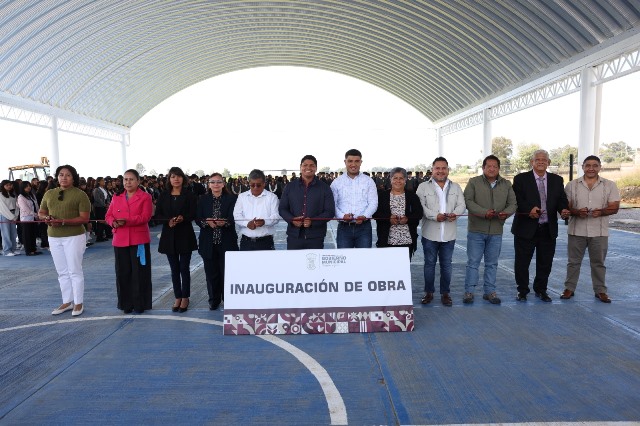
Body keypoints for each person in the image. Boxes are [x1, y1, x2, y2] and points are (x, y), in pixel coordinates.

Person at [511, 150, 570, 302]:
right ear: (532, 162)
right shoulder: (521, 179)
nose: (541, 161)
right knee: (522, 263)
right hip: (525, 228)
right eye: (537, 159)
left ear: (549, 163)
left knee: (545, 263)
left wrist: (563, 209)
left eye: (544, 159)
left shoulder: (557, 180)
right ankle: (522, 291)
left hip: (548, 229)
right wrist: (529, 210)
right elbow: (517, 199)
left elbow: (561, 200)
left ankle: (541, 290)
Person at [561, 155, 620, 303]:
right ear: (582, 167)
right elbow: (566, 207)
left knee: (598, 263)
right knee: (573, 262)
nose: (591, 168)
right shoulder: (571, 185)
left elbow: (615, 207)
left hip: (599, 231)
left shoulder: (610, 185)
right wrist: (576, 212)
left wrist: (602, 212)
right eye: (588, 165)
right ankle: (569, 288)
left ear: (600, 167)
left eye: (595, 165)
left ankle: (600, 291)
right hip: (576, 230)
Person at [463, 155, 517, 305]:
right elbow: (468, 201)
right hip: (476, 230)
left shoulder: (506, 184)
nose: (492, 169)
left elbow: (513, 203)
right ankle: (469, 291)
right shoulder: (473, 182)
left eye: (495, 166)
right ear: (483, 168)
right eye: (489, 166)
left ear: (499, 168)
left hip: (496, 231)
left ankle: (490, 292)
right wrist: (484, 212)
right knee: (473, 263)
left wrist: (506, 213)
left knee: (492, 264)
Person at [38, 165, 91, 316]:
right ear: (57, 177)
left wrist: (62, 221)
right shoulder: (49, 193)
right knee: (61, 271)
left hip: (74, 236)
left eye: (68, 175)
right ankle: (67, 301)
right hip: (54, 237)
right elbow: (41, 213)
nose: (64, 178)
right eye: (61, 175)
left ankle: (78, 303)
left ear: (73, 178)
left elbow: (84, 218)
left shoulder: (80, 195)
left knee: (74, 270)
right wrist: (46, 218)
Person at [417, 157, 466, 307]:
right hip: (430, 234)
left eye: (443, 168)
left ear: (448, 170)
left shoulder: (456, 187)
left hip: (449, 234)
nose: (440, 171)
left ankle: (445, 293)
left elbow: (462, 205)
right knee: (429, 264)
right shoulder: (423, 187)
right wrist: (434, 216)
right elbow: (421, 206)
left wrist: (455, 214)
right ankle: (429, 292)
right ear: (432, 170)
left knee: (446, 265)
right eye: (437, 168)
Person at [106, 169, 153, 314]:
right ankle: (125, 304)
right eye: (125, 179)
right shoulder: (116, 196)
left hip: (138, 239)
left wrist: (126, 221)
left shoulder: (145, 197)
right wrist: (113, 222)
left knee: (139, 273)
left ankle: (140, 304)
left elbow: (146, 217)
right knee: (122, 272)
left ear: (138, 181)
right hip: (120, 239)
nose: (128, 182)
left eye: (131, 179)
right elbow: (108, 215)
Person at [155, 167, 198, 313]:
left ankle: (185, 297)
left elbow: (194, 213)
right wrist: (168, 221)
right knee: (174, 269)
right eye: (173, 176)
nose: (176, 179)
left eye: (178, 176)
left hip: (185, 235)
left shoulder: (189, 195)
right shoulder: (163, 195)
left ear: (183, 178)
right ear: (169, 179)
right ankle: (177, 296)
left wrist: (183, 218)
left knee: (184, 268)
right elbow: (158, 215)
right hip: (169, 236)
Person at [196, 173, 238, 310]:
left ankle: (228, 299)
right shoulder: (203, 199)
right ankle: (214, 300)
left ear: (223, 184)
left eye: (219, 182)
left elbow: (234, 217)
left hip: (227, 241)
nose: (216, 184)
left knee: (227, 273)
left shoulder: (232, 199)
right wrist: (207, 222)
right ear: (209, 184)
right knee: (211, 273)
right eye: (213, 182)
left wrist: (224, 222)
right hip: (208, 242)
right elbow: (198, 218)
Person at [279, 155, 335, 250]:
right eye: (305, 165)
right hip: (294, 236)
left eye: (312, 165)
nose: (308, 168)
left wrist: (313, 221)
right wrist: (292, 220)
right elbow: (282, 209)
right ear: (300, 167)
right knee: (293, 259)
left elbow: (330, 212)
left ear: (316, 168)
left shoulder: (325, 188)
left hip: (316, 237)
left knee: (314, 260)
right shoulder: (290, 187)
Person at [331, 149, 378, 248]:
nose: (353, 164)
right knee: (344, 257)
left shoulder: (369, 181)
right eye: (350, 161)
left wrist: (364, 216)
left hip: (364, 228)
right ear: (345, 162)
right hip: (344, 228)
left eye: (357, 161)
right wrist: (342, 216)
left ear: (361, 162)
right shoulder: (336, 182)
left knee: (364, 256)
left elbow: (373, 203)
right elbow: (332, 204)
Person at [373, 167, 423, 259]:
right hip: (386, 240)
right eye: (395, 178)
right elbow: (376, 214)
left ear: (405, 180)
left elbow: (419, 213)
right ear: (390, 179)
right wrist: (389, 218)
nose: (398, 181)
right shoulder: (382, 196)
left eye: (401, 178)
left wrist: (407, 219)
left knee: (404, 267)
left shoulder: (412, 196)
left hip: (406, 241)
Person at [233, 169, 280, 251]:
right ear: (249, 183)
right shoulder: (242, 197)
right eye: (252, 185)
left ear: (264, 184)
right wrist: (247, 224)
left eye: (258, 185)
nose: (255, 187)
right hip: (246, 242)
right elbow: (236, 215)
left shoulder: (272, 197)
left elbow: (276, 216)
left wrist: (264, 222)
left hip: (265, 242)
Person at [17, 181, 42, 256]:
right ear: (22, 187)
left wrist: (39, 214)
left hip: (34, 218)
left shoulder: (32, 195)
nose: (28, 187)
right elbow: (25, 209)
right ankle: (28, 251)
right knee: (27, 235)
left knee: (33, 234)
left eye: (29, 186)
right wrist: (35, 214)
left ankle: (33, 249)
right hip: (26, 218)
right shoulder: (21, 197)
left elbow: (36, 205)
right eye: (26, 186)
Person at [0, 180, 20, 256]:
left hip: (13, 214)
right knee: (6, 233)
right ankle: (7, 250)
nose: (9, 186)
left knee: (13, 233)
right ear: (3, 186)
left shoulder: (13, 194)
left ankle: (13, 249)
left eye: (10, 185)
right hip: (4, 215)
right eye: (7, 185)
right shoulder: (0, 195)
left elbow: (17, 206)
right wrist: (12, 217)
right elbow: (2, 208)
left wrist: (16, 215)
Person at [92, 177, 111, 242]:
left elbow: (107, 197)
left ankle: (103, 235)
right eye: (102, 180)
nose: (104, 182)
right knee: (100, 222)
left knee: (104, 221)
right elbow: (97, 199)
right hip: (99, 207)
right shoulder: (96, 190)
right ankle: (99, 237)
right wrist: (104, 204)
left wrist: (108, 204)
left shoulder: (104, 189)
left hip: (104, 207)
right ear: (98, 182)